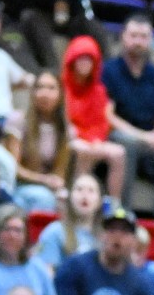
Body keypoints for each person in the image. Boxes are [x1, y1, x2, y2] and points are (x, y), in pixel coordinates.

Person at [102, 15, 154, 206]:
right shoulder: (108, 71)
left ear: (151, 40)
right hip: (116, 136)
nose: (138, 41)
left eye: (143, 36)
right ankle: (122, 212)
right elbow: (107, 116)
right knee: (127, 143)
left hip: (150, 142)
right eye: (133, 35)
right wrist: (142, 137)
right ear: (122, 37)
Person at [61, 36, 126, 203]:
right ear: (72, 61)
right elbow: (66, 121)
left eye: (89, 60)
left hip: (94, 139)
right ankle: (76, 198)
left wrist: (96, 140)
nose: (85, 64)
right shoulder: (63, 88)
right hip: (71, 138)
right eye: (81, 59)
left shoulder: (99, 90)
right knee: (83, 150)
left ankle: (114, 203)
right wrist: (86, 140)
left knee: (119, 153)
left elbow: (102, 122)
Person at [3, 71, 73, 213]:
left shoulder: (66, 129)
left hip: (49, 187)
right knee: (43, 199)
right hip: (21, 186)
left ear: (60, 94)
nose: (44, 93)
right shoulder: (18, 121)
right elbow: (13, 168)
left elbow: (60, 172)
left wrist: (54, 182)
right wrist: (44, 180)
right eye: (39, 87)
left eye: (51, 88)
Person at [54, 207, 151, 295]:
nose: (117, 236)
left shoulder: (140, 282)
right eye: (112, 229)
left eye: (124, 231)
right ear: (101, 235)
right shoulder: (74, 268)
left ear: (134, 240)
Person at [0, 205, 54, 295]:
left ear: (26, 236)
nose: (12, 236)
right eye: (6, 229)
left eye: (18, 230)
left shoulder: (37, 266)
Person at [36, 174, 103, 270]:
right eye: (79, 189)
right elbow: (46, 276)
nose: (84, 195)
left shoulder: (105, 237)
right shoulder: (55, 232)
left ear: (100, 201)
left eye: (91, 191)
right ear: (69, 197)